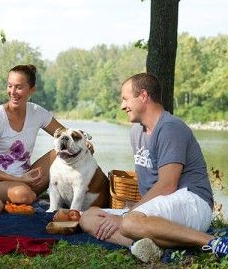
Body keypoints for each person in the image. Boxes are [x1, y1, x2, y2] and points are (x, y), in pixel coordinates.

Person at [79, 73, 228, 263]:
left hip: (192, 202)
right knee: (89, 217)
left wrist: (127, 215)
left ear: (143, 95)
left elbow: (167, 185)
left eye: (126, 99)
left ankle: (213, 242)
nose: (122, 106)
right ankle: (143, 246)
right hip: (159, 210)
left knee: (129, 222)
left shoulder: (170, 128)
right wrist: (130, 213)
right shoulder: (136, 132)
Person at [0, 64, 66, 205]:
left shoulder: (37, 112)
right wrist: (19, 180)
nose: (12, 92)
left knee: (62, 152)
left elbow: (65, 135)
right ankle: (27, 198)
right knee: (24, 195)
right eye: (9, 86)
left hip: (27, 179)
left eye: (19, 87)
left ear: (31, 90)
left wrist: (84, 143)